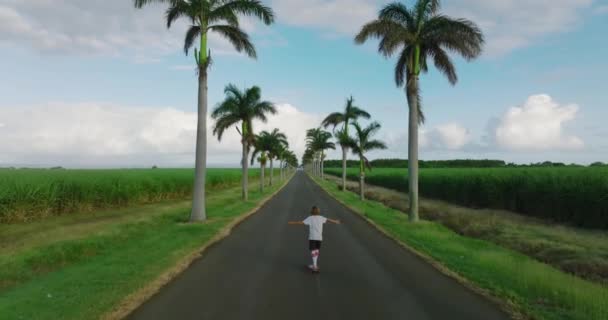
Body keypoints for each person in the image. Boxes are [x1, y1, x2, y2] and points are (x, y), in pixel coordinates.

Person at [288, 206, 340, 272]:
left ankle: (314, 266)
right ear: (318, 211)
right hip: (319, 237)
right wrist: (335, 221)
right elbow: (328, 220)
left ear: (312, 211)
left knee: (313, 250)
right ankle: (314, 264)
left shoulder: (310, 218)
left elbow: (301, 223)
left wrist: (292, 223)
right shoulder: (321, 218)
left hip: (312, 237)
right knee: (316, 250)